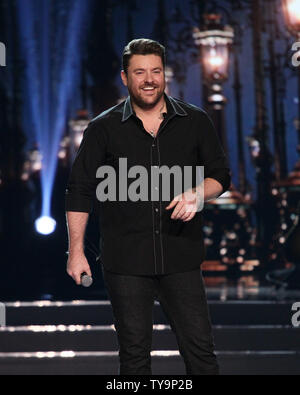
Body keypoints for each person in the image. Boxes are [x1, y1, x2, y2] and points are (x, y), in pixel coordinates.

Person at [65, 38, 231, 375]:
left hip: (181, 257)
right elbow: (80, 190)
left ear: (165, 74)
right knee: (134, 358)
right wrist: (76, 251)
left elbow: (221, 176)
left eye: (156, 71)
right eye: (140, 72)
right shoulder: (102, 129)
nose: (149, 79)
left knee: (201, 355)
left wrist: (197, 194)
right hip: (125, 261)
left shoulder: (195, 121)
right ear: (125, 78)